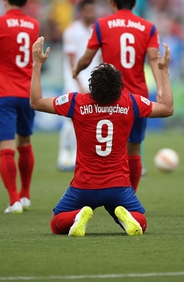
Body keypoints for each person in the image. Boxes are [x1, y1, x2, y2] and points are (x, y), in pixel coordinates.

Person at [30, 36, 173, 236]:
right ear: (119, 86)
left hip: (84, 185)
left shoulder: (76, 102)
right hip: (118, 186)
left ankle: (78, 215)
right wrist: (164, 72)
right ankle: (124, 217)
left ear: (92, 85)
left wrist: (37, 65)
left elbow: (36, 102)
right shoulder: (129, 102)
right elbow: (167, 108)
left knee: (57, 222)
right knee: (141, 222)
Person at [73, 0, 162, 192]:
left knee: (104, 149)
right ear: (134, 2)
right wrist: (160, 88)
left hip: (110, 96)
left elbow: (87, 59)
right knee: (134, 149)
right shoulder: (148, 28)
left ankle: (99, 192)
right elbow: (154, 60)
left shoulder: (101, 25)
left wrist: (76, 70)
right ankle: (130, 199)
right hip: (137, 98)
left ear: (112, 2)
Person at [0, 0, 39, 214]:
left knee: (6, 148)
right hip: (28, 93)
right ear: (27, 0)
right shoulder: (34, 25)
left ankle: (14, 200)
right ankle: (26, 195)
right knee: (25, 143)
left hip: (3, 93)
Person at [57, 0, 101, 171]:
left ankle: (78, 155)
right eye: (88, 10)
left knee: (88, 119)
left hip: (94, 81)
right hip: (75, 81)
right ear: (81, 12)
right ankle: (63, 154)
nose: (91, 13)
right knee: (71, 119)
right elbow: (71, 59)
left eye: (93, 9)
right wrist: (79, 83)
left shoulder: (97, 30)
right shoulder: (71, 31)